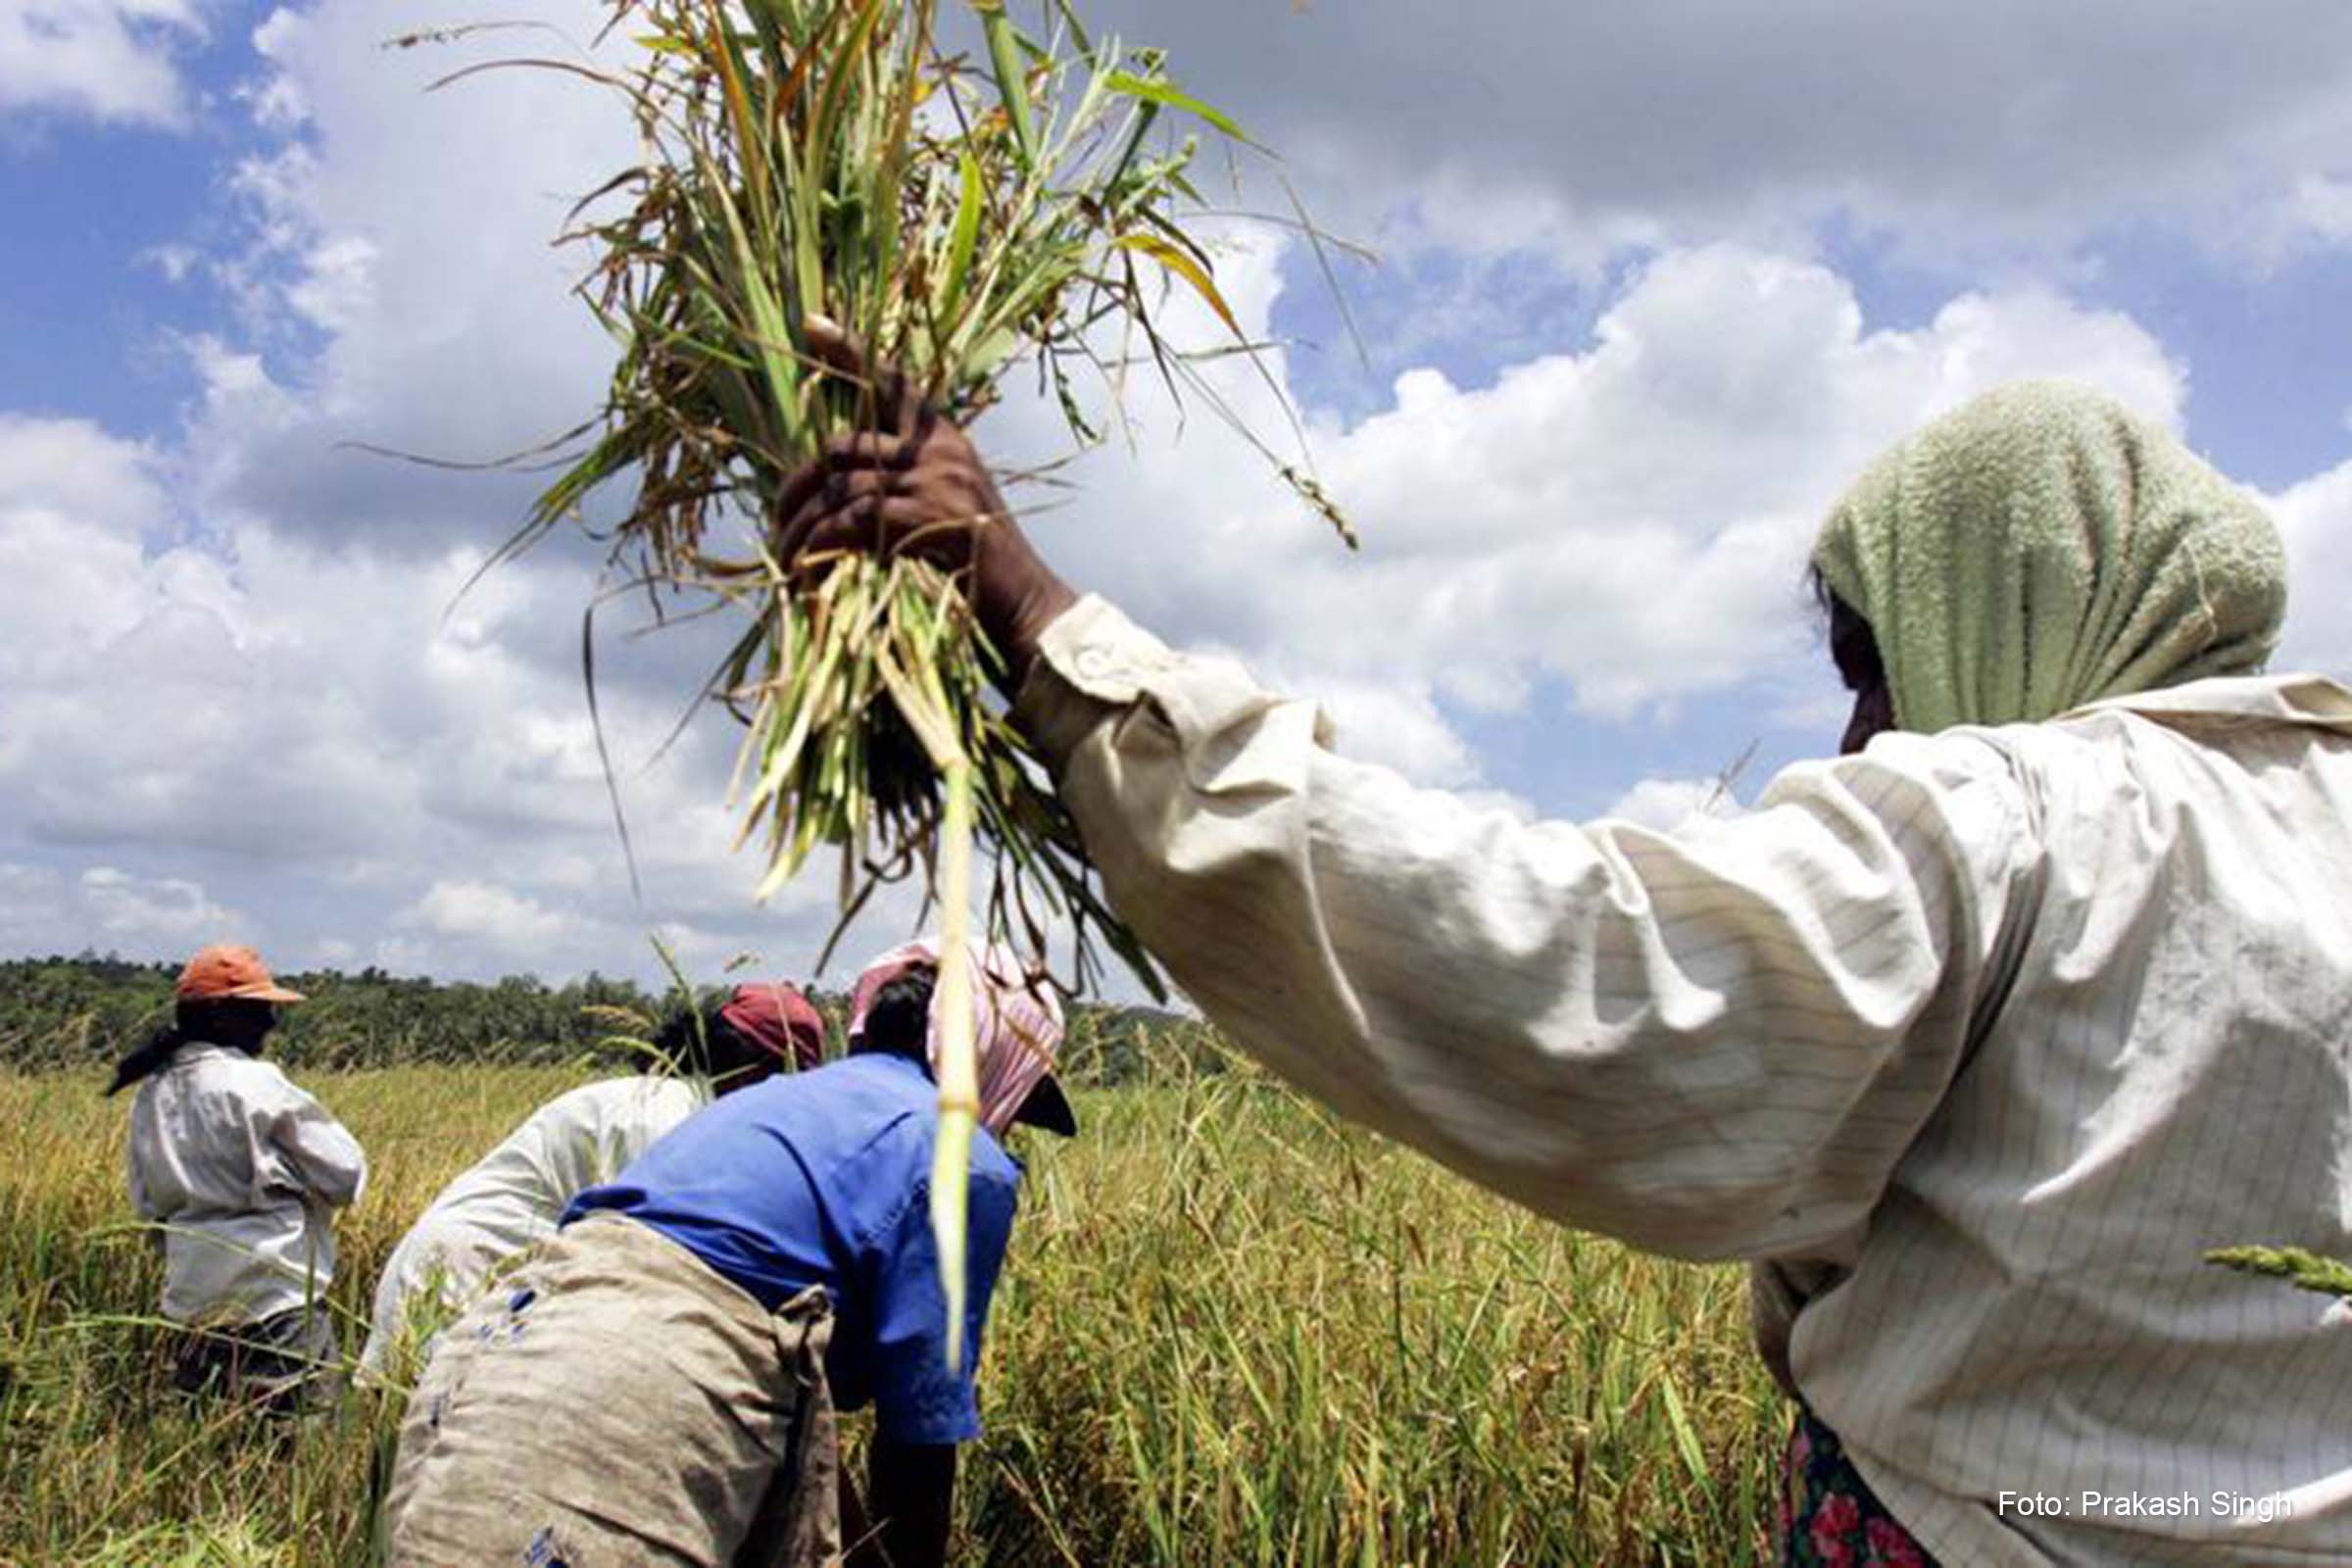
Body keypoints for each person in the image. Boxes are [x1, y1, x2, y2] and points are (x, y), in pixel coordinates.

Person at [776, 368, 2352, 1565]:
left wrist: (1046, 626)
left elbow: (1568, 965)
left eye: (1875, 675)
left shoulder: (2014, 818)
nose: (1863, 740)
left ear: (1995, 598)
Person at [379, 939, 1072, 1568]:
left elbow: (790, 1406)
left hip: (485, 1371)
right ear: (996, 1052)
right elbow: (917, 1445)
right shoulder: (965, 1158)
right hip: (624, 1412)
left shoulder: (765, 1105)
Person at [358, 980, 827, 1382]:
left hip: (517, 1290)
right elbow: (656, 1254)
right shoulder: (662, 1113)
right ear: (755, 1071)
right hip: (467, 1276)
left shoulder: (693, 1113)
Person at [112, 943, 368, 1415]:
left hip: (190, 1307)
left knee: (208, 1445)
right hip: (276, 1302)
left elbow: (147, 1208)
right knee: (304, 1450)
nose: (270, 1023)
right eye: (260, 1010)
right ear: (222, 1017)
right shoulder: (255, 1083)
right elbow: (345, 1174)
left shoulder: (152, 1092)